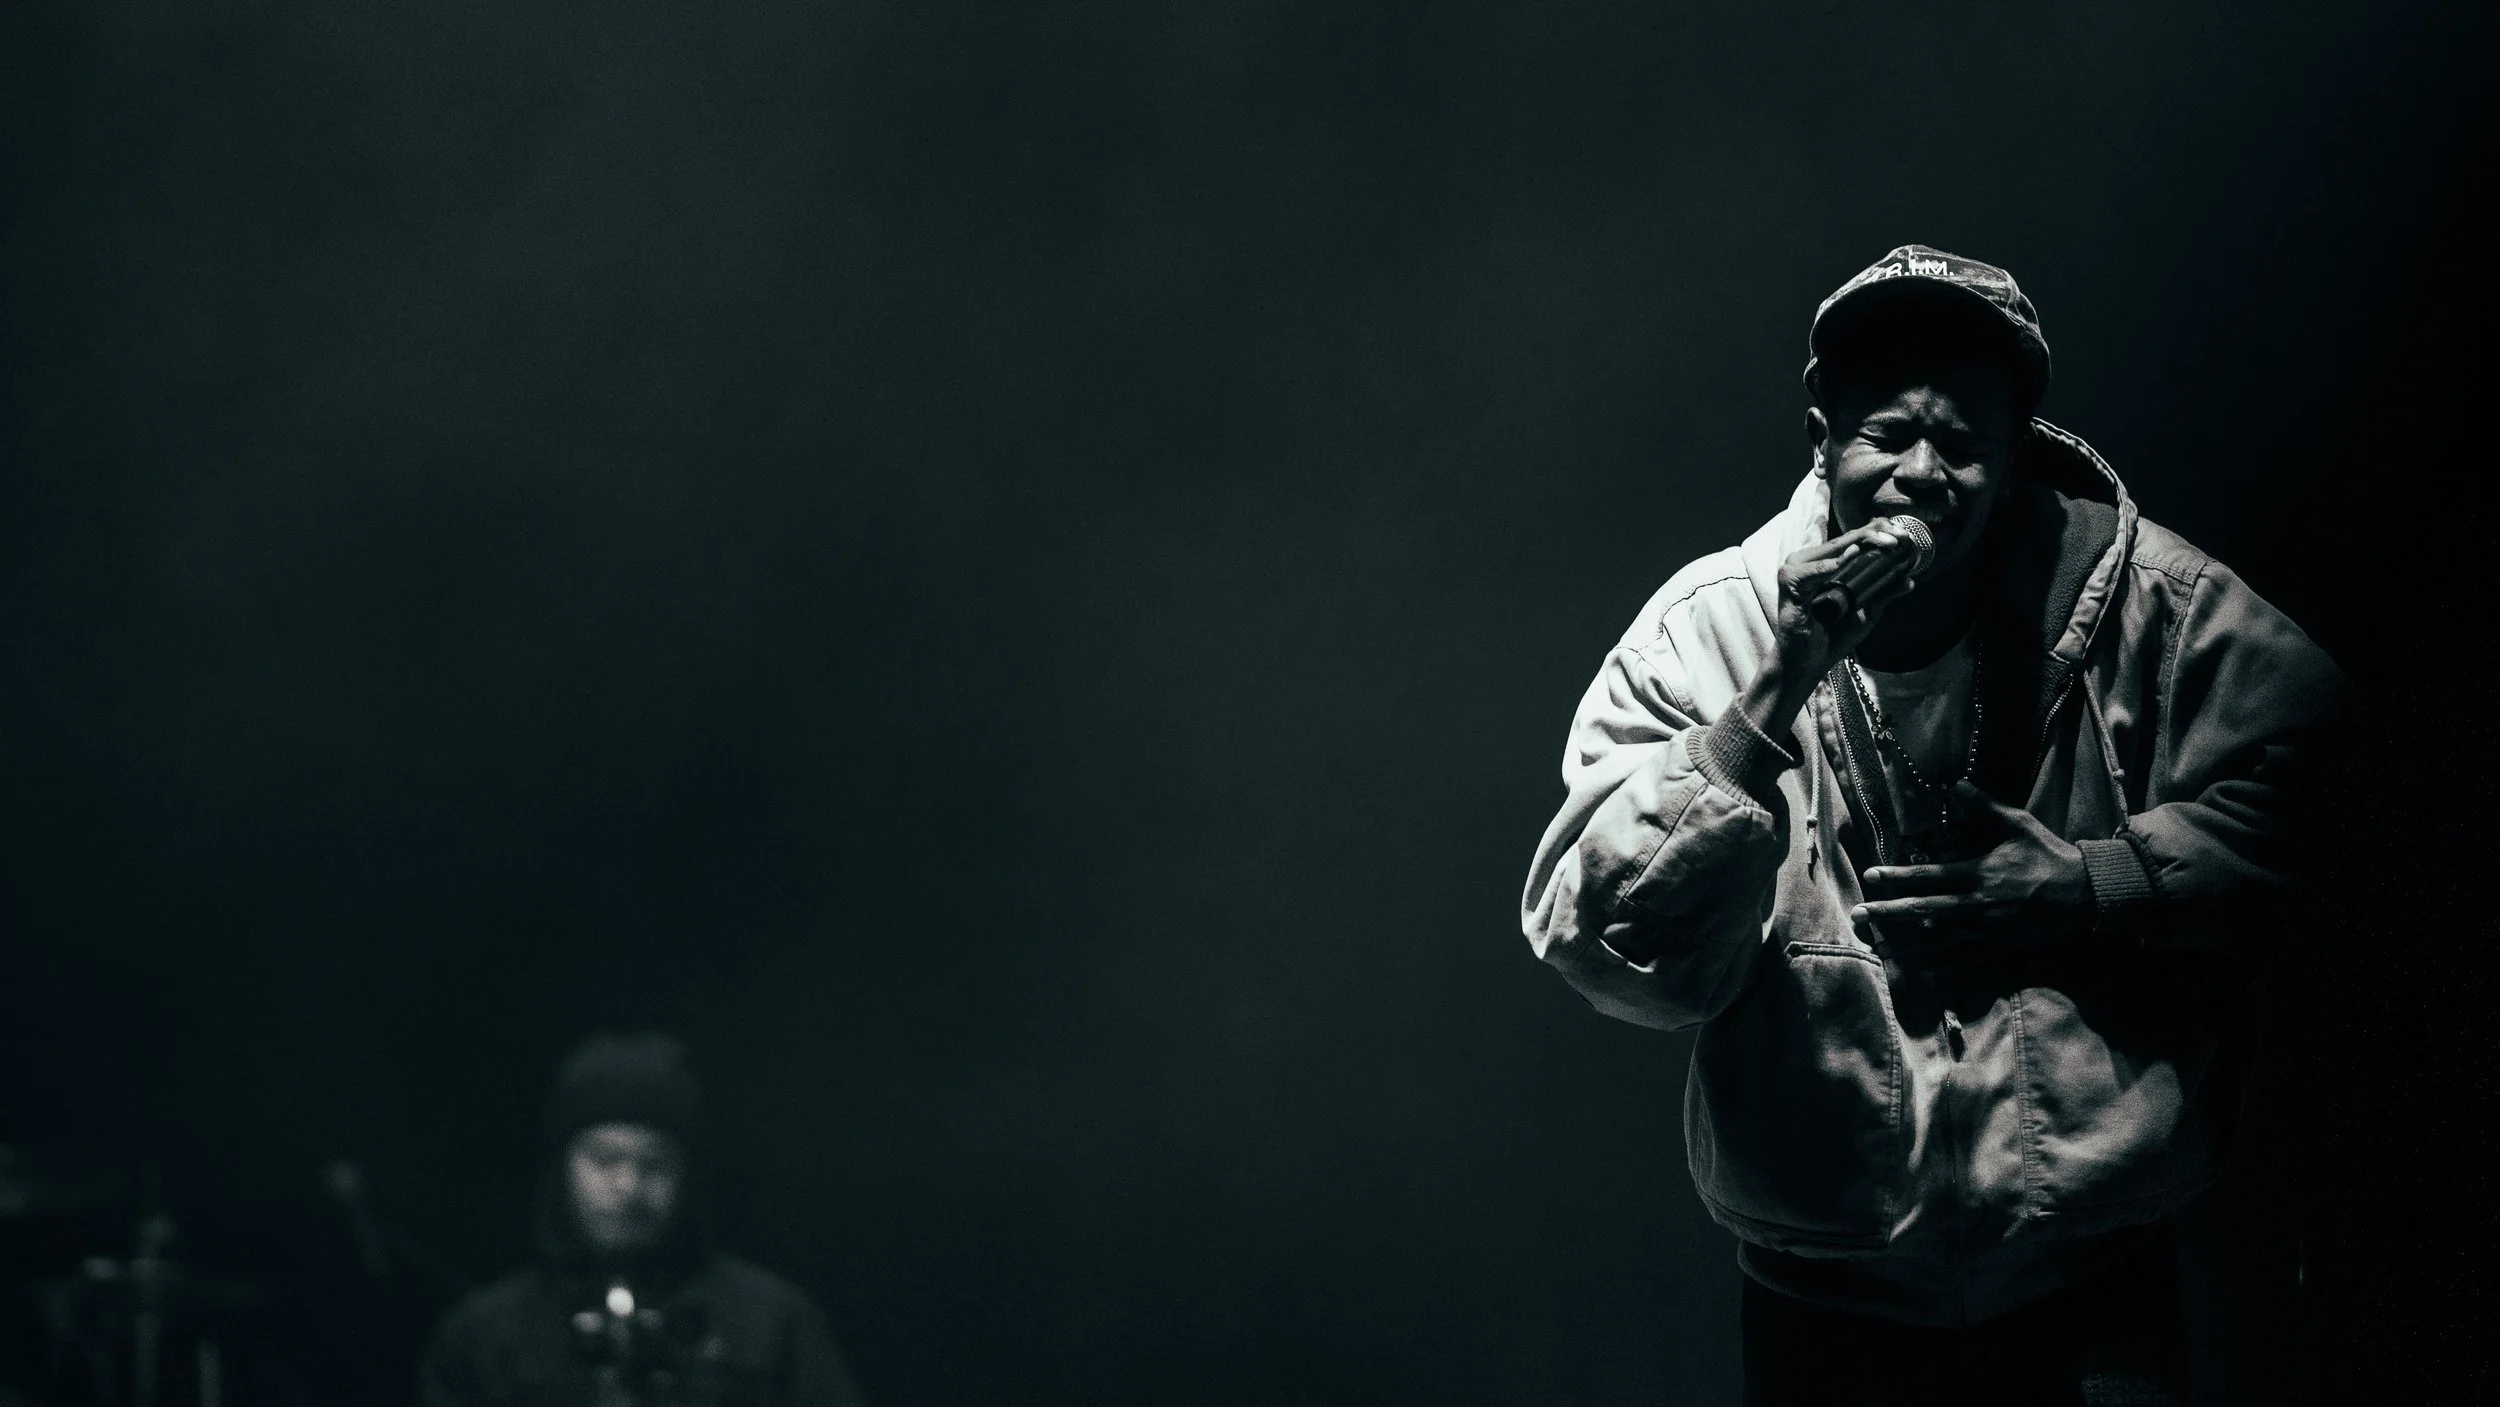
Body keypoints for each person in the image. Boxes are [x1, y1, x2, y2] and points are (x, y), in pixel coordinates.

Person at [1519, 245, 2340, 1405]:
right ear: (1820, 439)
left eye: (1959, 442)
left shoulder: (2148, 603)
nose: (1919, 473)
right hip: (1825, 1298)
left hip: (2091, 1282)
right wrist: (1769, 699)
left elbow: (2343, 810)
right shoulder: (1706, 630)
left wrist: (2096, 882)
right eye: (1885, 434)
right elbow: (1609, 949)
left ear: (2010, 459)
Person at [420, 1033, 869, 1407]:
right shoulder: (484, 1333)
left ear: (687, 1177)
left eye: (654, 1164)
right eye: (604, 1159)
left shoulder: (773, 1322)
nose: (629, 1186)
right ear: (563, 1168)